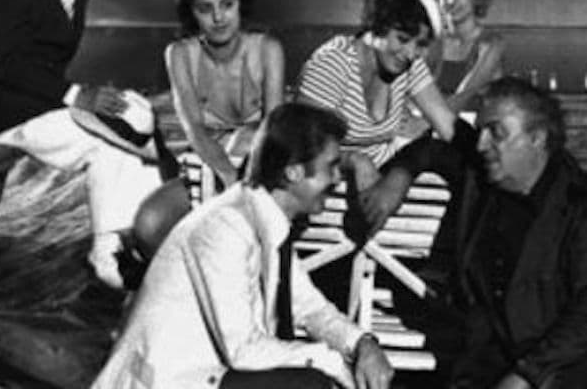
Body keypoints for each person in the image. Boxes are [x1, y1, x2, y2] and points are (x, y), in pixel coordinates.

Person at [92, 103, 394, 389]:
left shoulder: (265, 219)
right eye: (331, 167)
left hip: (208, 376)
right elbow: (243, 351)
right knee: (307, 384)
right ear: (294, 173)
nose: (338, 178)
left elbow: (310, 308)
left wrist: (362, 344)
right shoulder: (225, 227)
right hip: (168, 381)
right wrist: (332, 362)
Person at [379, 77, 587, 388]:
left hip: (563, 368)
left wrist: (527, 375)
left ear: (537, 138)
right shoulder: (480, 179)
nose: (481, 144)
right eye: (481, 131)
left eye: (496, 133)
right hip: (482, 364)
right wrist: (398, 177)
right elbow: (430, 149)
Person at [0, 0, 162, 289]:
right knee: (108, 143)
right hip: (3, 112)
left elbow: (46, 63)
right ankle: (107, 258)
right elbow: (9, 64)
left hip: (36, 104)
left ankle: (128, 246)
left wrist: (87, 98)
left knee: (133, 126)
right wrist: (76, 95)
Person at [131, 0, 285, 259]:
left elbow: (275, 132)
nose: (218, 18)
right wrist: (227, 177)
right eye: (205, 8)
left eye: (227, 4)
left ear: (240, 3)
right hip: (208, 168)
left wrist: (246, 185)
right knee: (148, 227)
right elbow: (195, 130)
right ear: (191, 13)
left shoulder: (268, 49)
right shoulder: (179, 54)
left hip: (259, 168)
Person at [295, 0, 456, 210]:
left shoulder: (409, 65)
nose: (410, 53)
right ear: (378, 24)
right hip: (327, 200)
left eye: (420, 44)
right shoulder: (333, 64)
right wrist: (354, 160)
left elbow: (447, 125)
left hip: (385, 194)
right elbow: (306, 146)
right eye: (402, 39)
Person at [427, 0, 505, 115]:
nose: (452, 1)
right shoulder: (433, 41)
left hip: (474, 125)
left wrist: (422, 121)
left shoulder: (493, 42)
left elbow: (463, 96)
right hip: (435, 121)